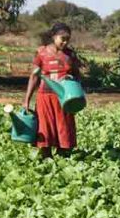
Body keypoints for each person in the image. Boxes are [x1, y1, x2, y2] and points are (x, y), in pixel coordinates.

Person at [23, 23, 82, 158]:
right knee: (45, 128)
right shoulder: (41, 53)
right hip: (45, 97)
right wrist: (26, 100)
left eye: (68, 39)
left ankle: (63, 158)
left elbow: (77, 75)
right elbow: (34, 77)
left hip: (64, 98)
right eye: (63, 39)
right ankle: (46, 159)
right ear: (54, 37)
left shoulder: (70, 55)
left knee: (64, 127)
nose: (65, 42)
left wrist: (73, 81)